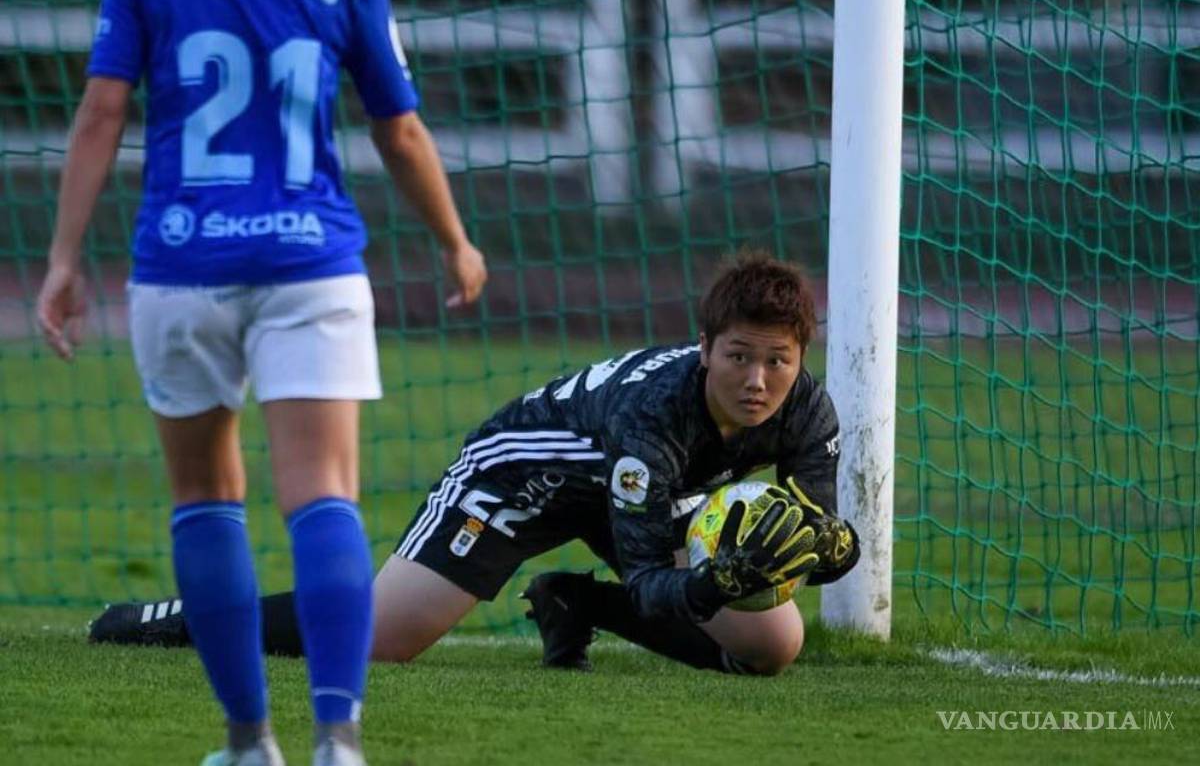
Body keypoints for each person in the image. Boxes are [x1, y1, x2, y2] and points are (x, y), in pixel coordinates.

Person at [36, 0, 487, 763]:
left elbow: (103, 110)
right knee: (322, 495)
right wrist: (455, 242)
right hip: (311, 263)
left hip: (182, 264)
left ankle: (249, 743)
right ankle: (339, 742)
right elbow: (401, 130)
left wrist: (65, 258)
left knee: (206, 499)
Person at [91, 251, 857, 677]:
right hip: (525, 473)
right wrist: (712, 580)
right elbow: (655, 571)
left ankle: (576, 603)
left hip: (638, 493)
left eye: (776, 361)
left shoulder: (807, 412)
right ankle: (190, 618)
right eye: (738, 358)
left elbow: (824, 538)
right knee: (382, 640)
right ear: (704, 351)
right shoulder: (654, 413)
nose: (756, 380)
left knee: (771, 646)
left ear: (799, 360)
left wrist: (831, 548)